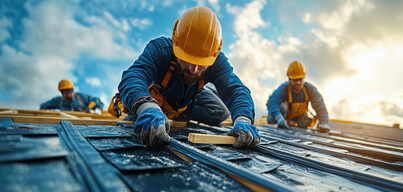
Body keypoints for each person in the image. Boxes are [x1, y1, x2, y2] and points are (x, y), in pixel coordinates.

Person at [119, 6, 260, 148]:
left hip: (186, 103)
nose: (194, 70)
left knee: (219, 112)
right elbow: (133, 76)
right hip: (154, 101)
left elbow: (236, 90)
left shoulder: (217, 61)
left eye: (202, 64)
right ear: (176, 43)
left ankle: (173, 115)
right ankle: (152, 114)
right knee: (141, 126)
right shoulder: (160, 49)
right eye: (187, 60)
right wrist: (146, 107)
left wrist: (243, 120)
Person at [266, 61, 330, 133]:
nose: (298, 83)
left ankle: (292, 123)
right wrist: (279, 118)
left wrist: (324, 122)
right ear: (289, 79)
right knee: (283, 107)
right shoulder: (283, 89)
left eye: (300, 79)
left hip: (293, 120)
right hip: (278, 119)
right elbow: (273, 102)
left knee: (305, 121)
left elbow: (319, 104)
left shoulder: (309, 89)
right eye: (295, 80)